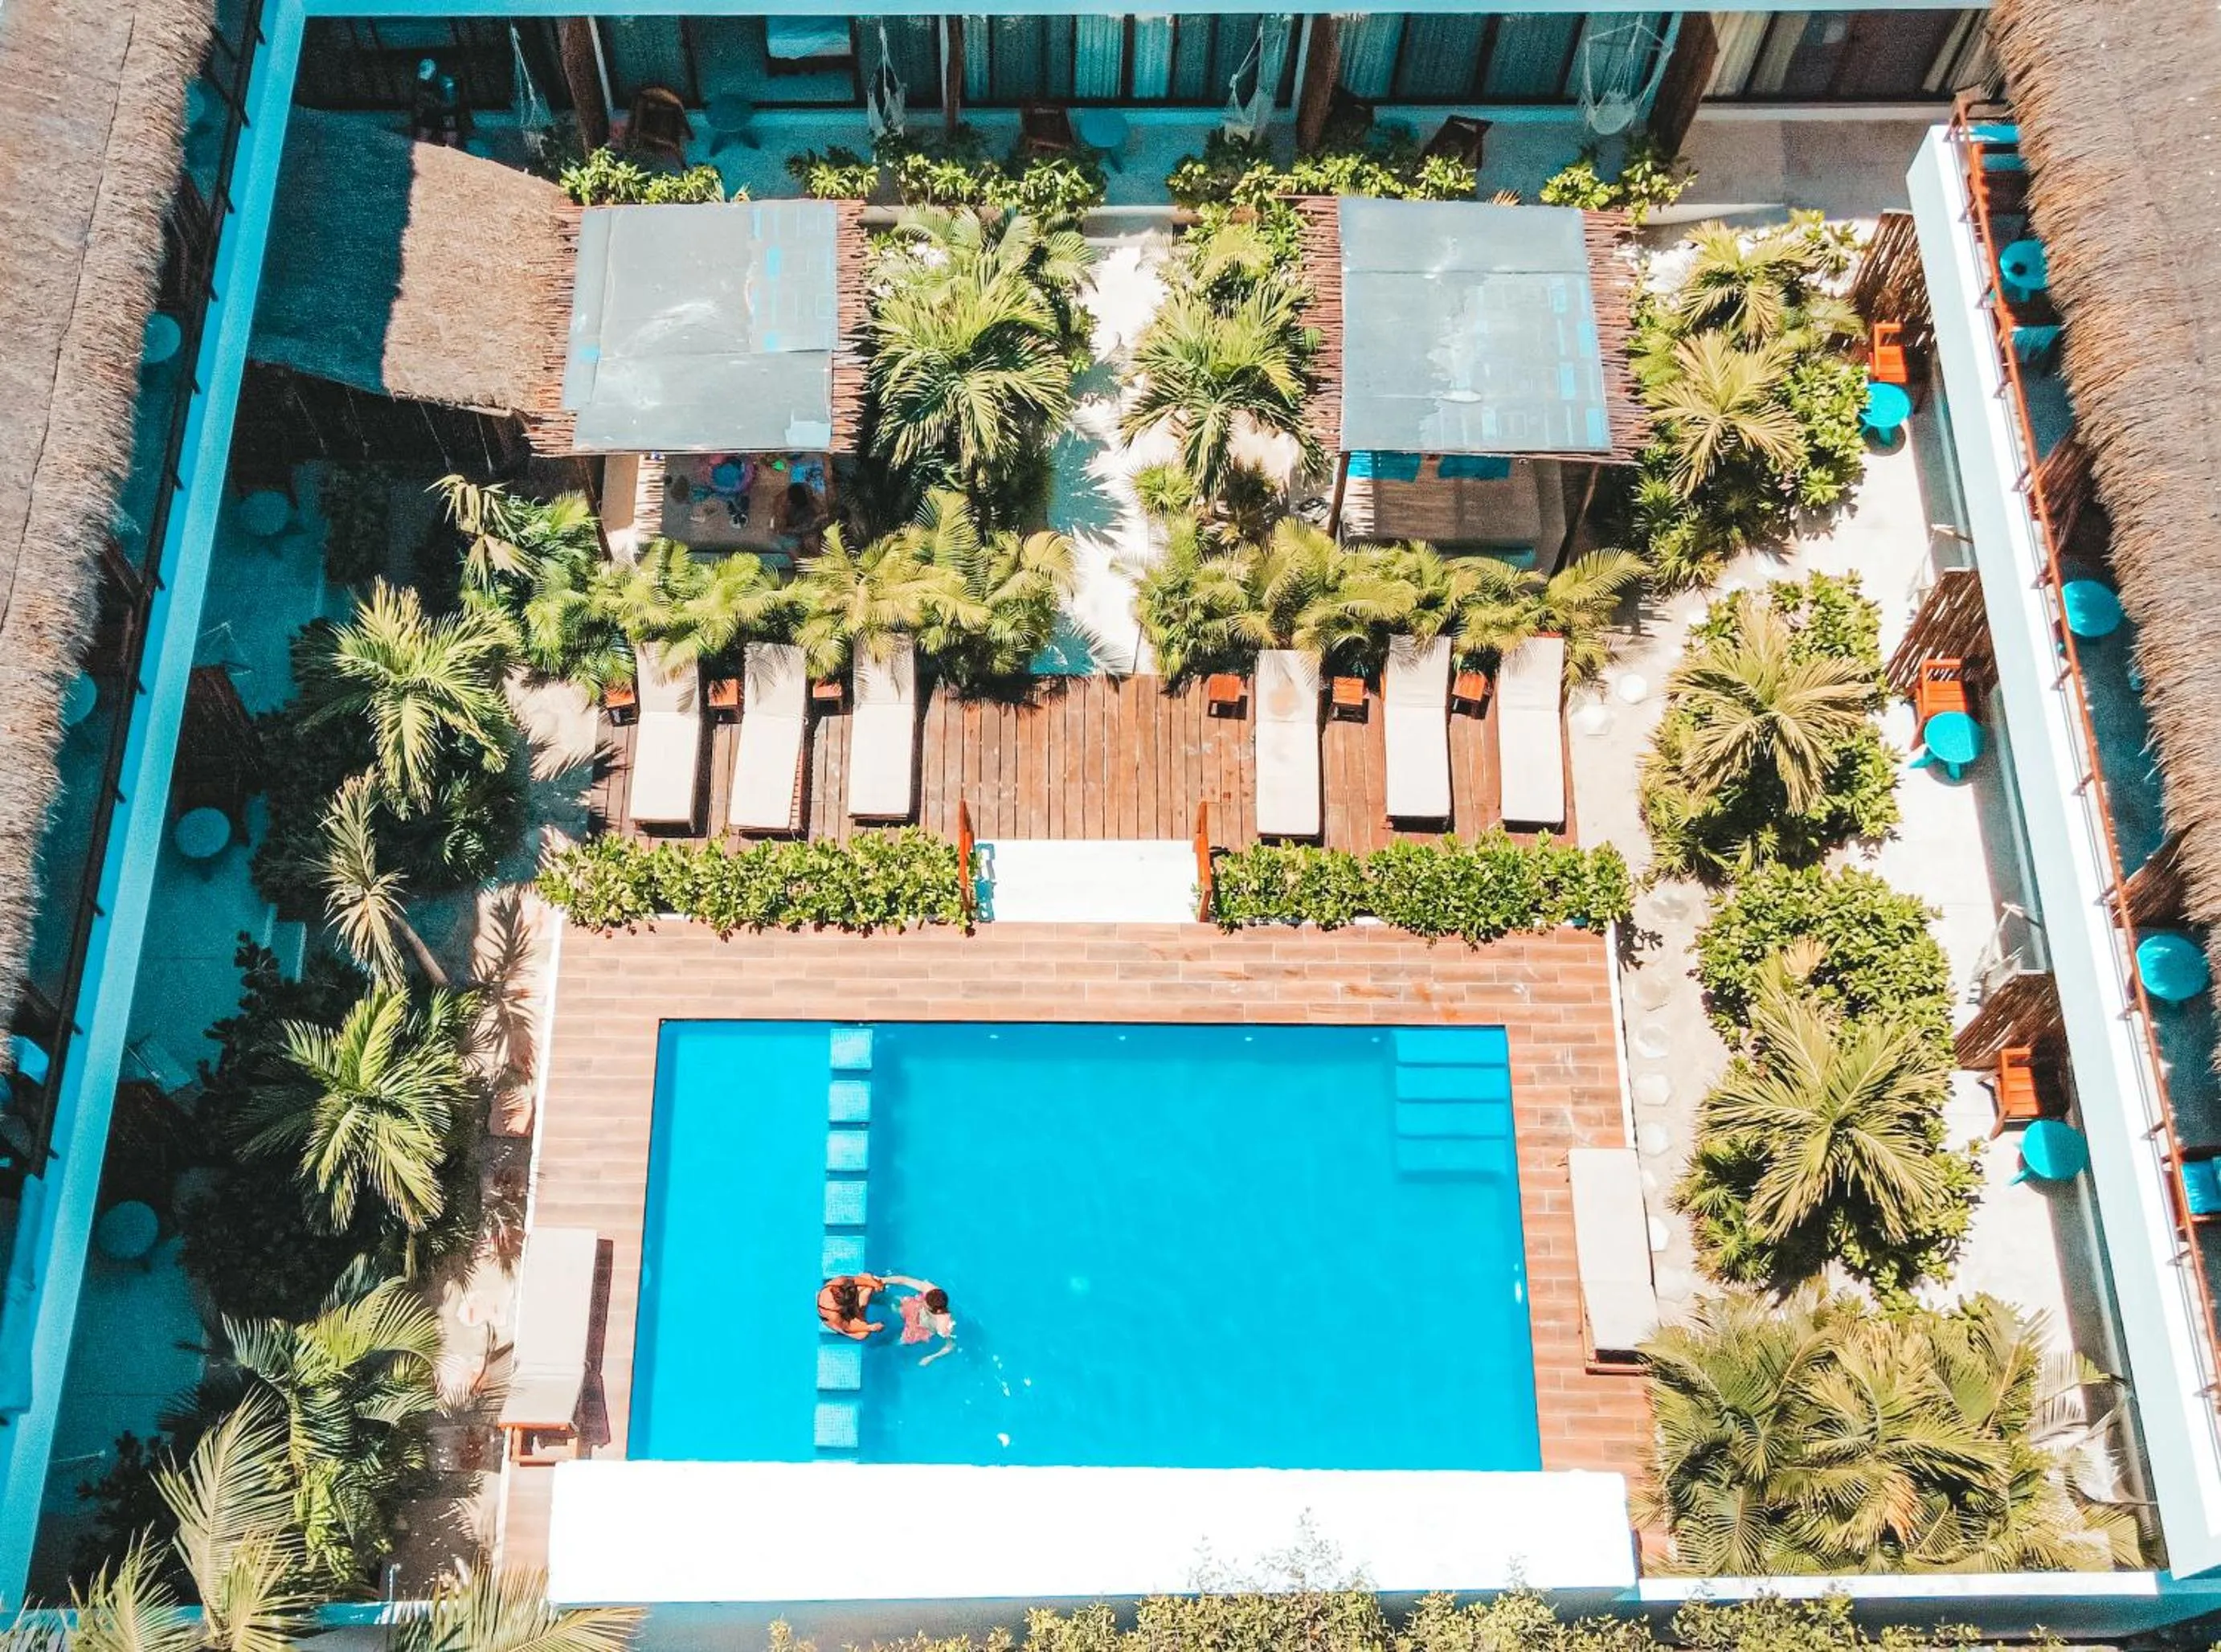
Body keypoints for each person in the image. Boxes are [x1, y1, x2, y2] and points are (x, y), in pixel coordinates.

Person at [884, 1274, 956, 1365]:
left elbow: (950, 1345)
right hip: (915, 1308)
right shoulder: (931, 1290)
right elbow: (903, 1280)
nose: (924, 1300)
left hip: (920, 1329)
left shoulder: (944, 1325)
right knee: (889, 1300)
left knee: (893, 1341)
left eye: (926, 1302)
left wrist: (930, 1358)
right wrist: (882, 1280)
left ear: (933, 1309)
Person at [817, 1273, 885, 1340]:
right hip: (842, 1318)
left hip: (849, 1306)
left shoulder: (839, 1282)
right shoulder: (832, 1314)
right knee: (863, 1334)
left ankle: (859, 1311)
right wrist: (871, 1327)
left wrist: (876, 1284)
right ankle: (857, 1315)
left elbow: (854, 1280)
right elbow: (847, 1327)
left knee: (867, 1277)